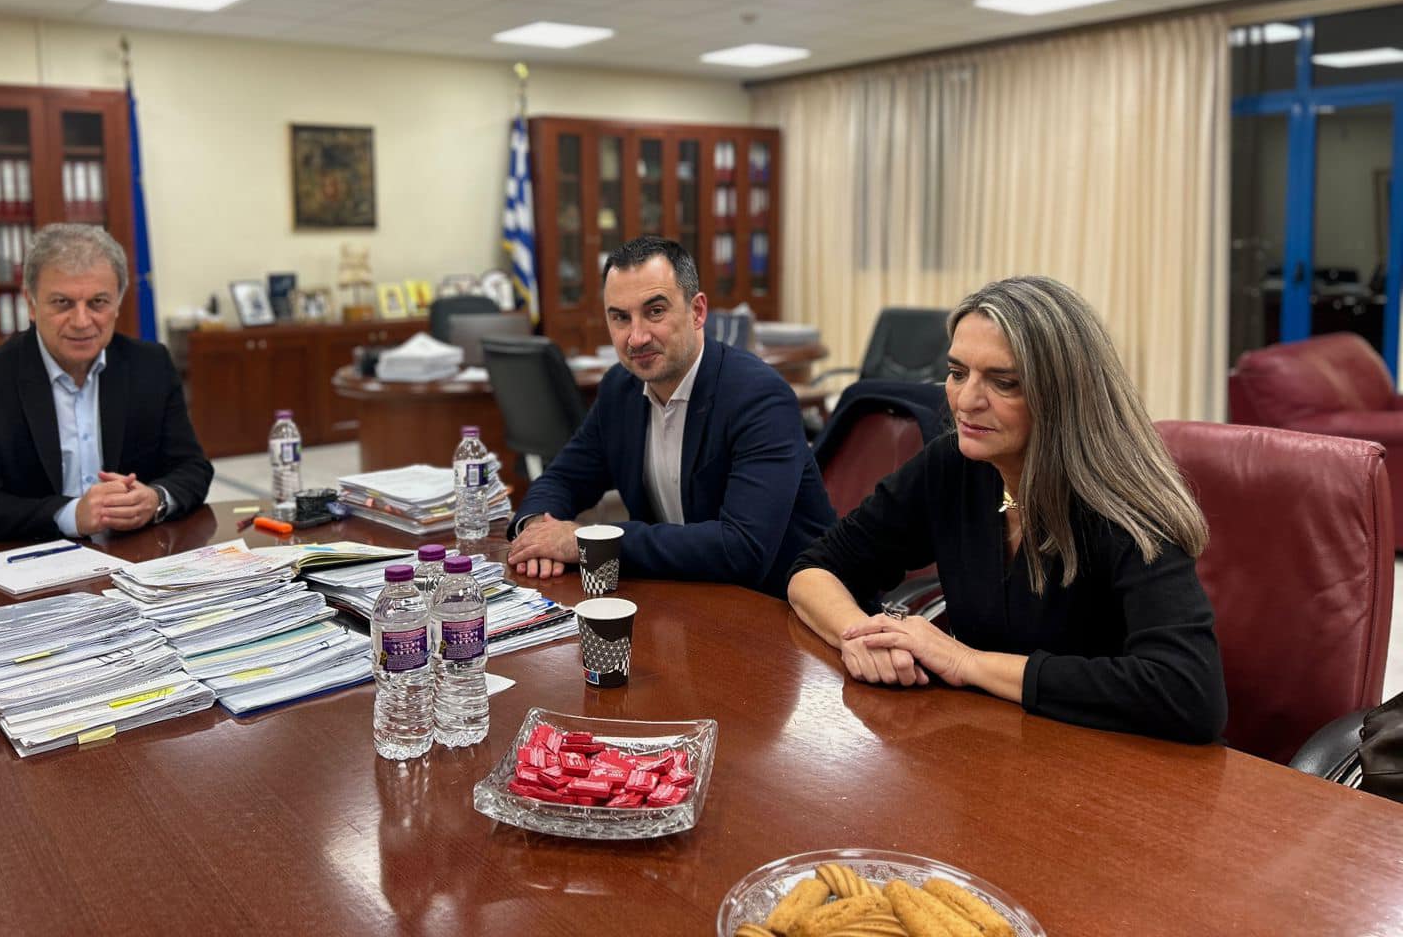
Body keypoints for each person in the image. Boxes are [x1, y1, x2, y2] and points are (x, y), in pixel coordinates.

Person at [787, 276, 1227, 744]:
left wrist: (965, 662)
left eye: (1004, 383)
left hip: (1114, 763)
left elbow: (1189, 693)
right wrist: (861, 638)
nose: (967, 401)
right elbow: (816, 568)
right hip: (994, 744)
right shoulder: (954, 465)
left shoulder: (1126, 506)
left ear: (1064, 395)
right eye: (957, 373)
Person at [506, 236, 835, 598]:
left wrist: (587, 541)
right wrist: (537, 530)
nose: (636, 337)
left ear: (697, 312)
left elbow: (741, 549)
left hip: (782, 607)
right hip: (681, 598)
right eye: (620, 317)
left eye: (655, 311)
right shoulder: (620, 389)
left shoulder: (758, 397)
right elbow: (564, 478)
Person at [0, 224, 213, 548]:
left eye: (98, 302)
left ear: (118, 304)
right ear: (31, 304)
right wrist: (70, 515)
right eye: (62, 303)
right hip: (28, 559)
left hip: (130, 556)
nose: (82, 321)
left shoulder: (150, 365)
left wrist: (155, 499)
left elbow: (192, 468)